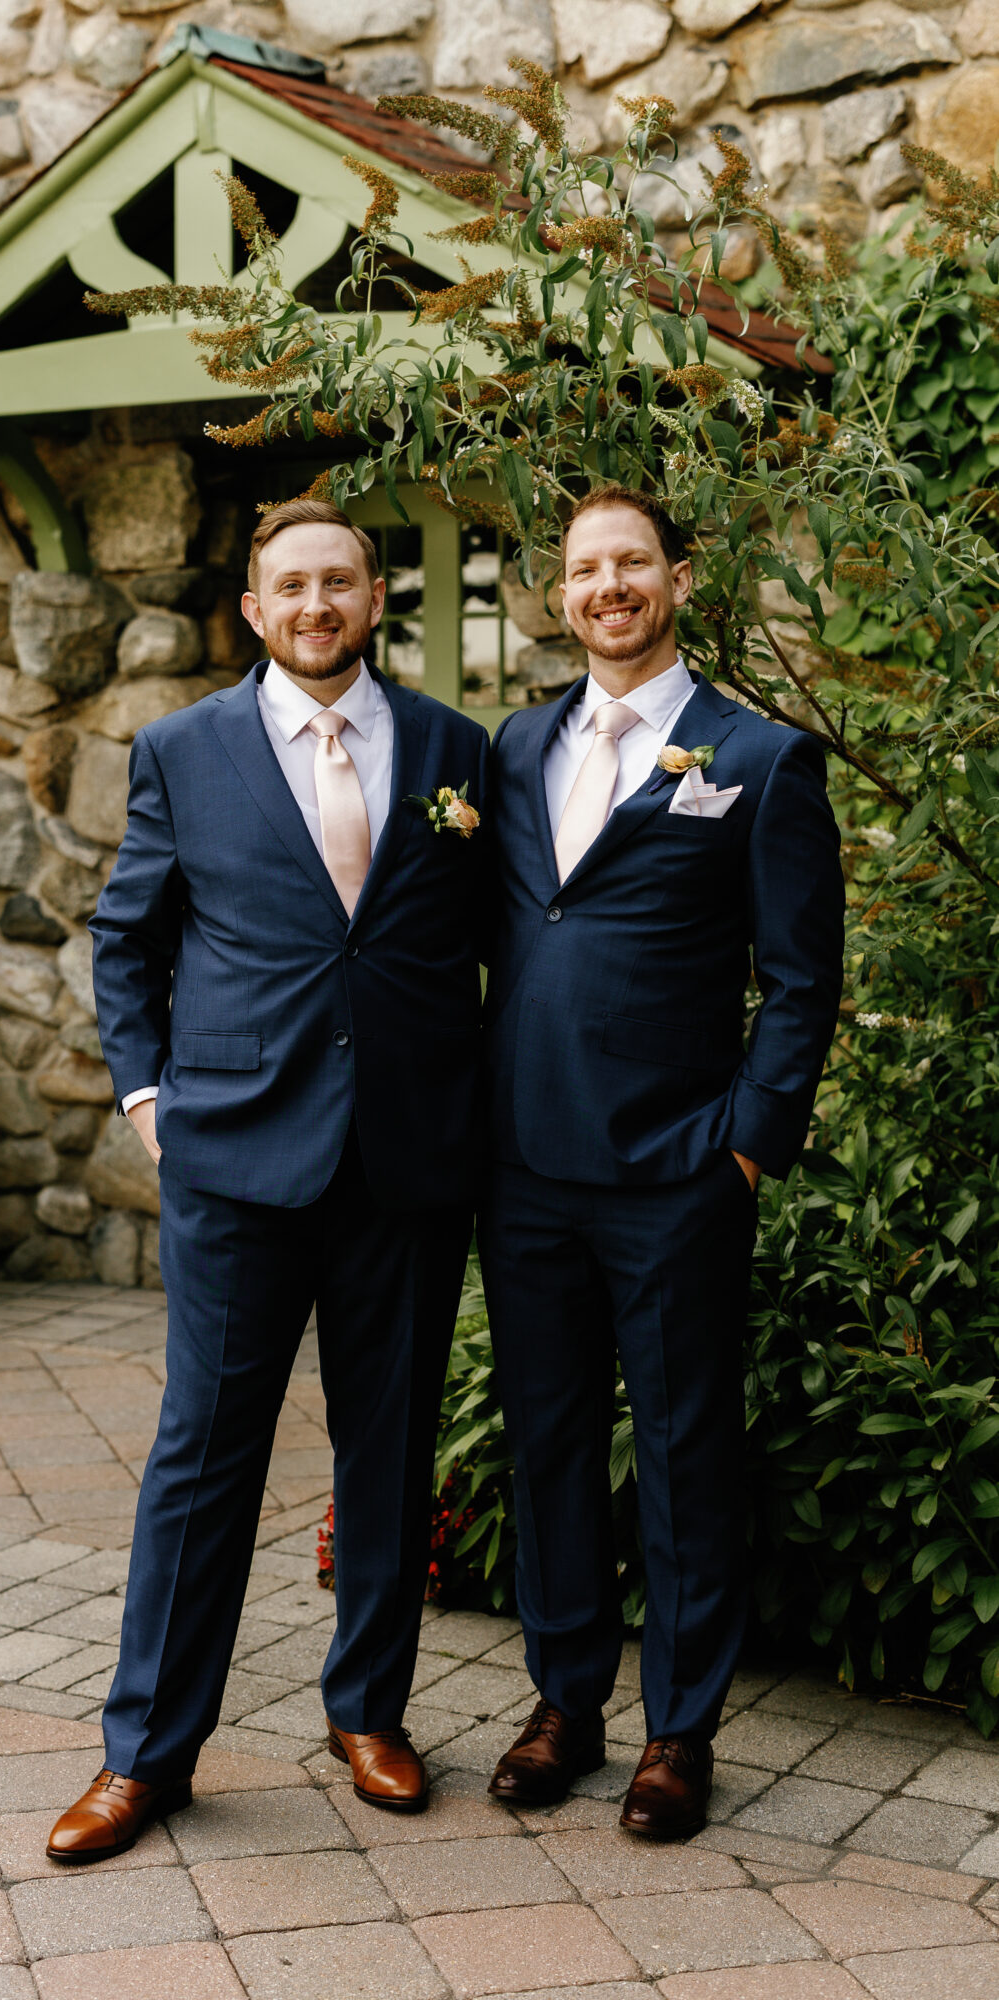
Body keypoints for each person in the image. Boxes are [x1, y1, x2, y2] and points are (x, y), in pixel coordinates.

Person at [47, 497, 489, 1859]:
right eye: (290, 585)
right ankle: (146, 1754)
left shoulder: (453, 750)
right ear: (254, 609)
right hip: (236, 1159)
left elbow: (489, 938)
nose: (315, 605)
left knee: (388, 1451)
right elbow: (129, 937)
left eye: (338, 582)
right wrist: (147, 1098)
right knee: (201, 1458)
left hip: (406, 1163)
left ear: (374, 599)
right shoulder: (182, 749)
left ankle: (371, 1713)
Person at [481, 485, 844, 1840]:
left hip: (676, 1170)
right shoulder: (516, 748)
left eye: (631, 562)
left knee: (685, 1453)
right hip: (524, 1167)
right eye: (585, 568)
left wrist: (744, 1148)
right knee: (550, 1442)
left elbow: (801, 980)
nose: (608, 587)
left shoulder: (758, 758)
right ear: (561, 592)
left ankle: (679, 1731)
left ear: (678, 580)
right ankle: (564, 1703)